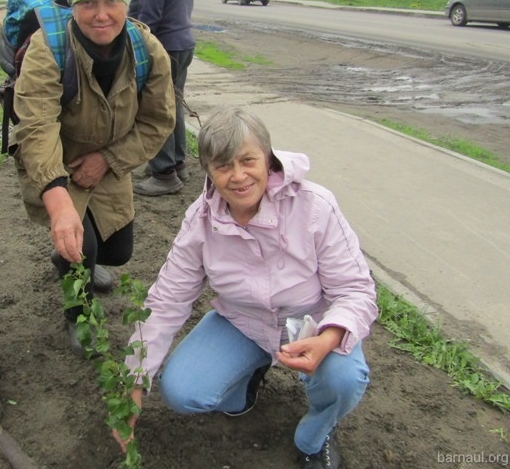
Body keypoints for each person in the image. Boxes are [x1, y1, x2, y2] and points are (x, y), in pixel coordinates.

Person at [113, 105, 377, 469]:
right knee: (182, 391)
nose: (238, 177)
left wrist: (329, 338)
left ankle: (314, 437)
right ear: (208, 172)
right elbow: (167, 300)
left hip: (310, 325)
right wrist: (135, 381)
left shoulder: (314, 207)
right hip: (243, 322)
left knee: (344, 380)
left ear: (267, 159)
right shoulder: (201, 221)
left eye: (248, 161)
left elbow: (355, 289)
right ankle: (244, 388)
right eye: (223, 166)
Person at [10, 0, 176, 357]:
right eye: (88, 3)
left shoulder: (147, 50)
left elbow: (158, 121)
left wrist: (109, 160)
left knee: (118, 252)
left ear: (126, 2)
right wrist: (56, 191)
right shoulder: (48, 47)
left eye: (111, 2)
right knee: (81, 246)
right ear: (72, 5)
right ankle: (77, 312)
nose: (101, 14)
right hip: (56, 159)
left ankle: (69, 256)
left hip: (108, 159)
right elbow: (36, 125)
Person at [129, 0, 196, 197]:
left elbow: (149, 13)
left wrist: (136, 43)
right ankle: (176, 162)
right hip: (182, 43)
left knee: (157, 106)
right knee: (173, 104)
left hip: (164, 45)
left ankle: (164, 173)